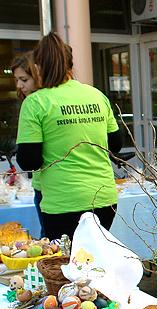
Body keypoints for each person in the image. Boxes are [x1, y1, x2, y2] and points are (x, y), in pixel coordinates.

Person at [16, 32, 122, 240]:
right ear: (70, 64)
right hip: (104, 198)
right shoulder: (96, 95)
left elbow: (29, 161)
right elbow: (115, 144)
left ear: (38, 67)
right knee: (96, 256)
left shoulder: (36, 102)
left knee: (66, 259)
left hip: (62, 202)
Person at [11, 52, 43, 236]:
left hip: (48, 186)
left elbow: (28, 159)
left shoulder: (34, 103)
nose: (19, 85)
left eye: (24, 79)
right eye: (16, 80)